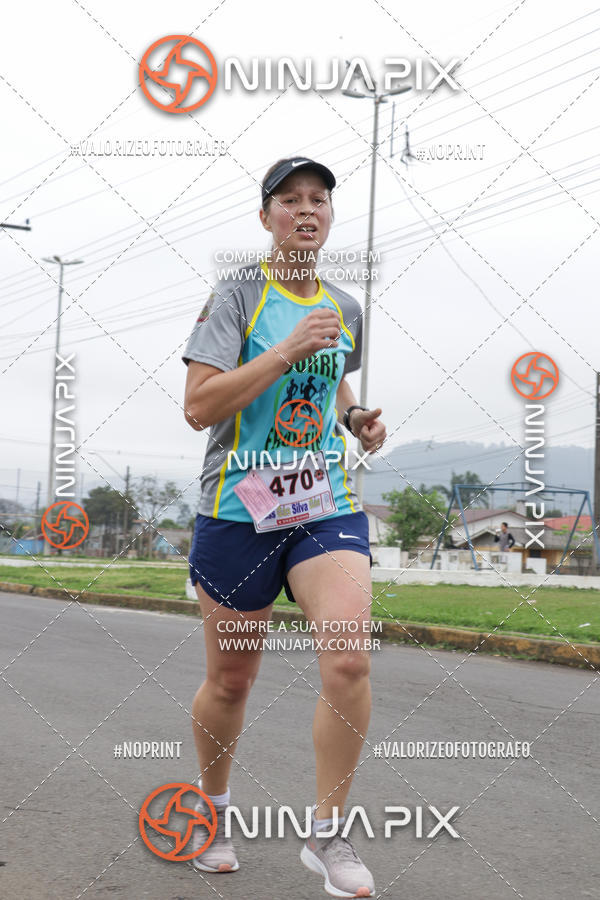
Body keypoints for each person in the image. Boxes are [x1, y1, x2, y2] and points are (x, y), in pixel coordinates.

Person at [182, 156, 386, 898]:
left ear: (329, 216)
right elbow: (200, 405)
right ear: (265, 215)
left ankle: (328, 833)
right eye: (290, 199)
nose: (307, 210)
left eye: (319, 200)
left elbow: (332, 381)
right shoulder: (236, 296)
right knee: (231, 680)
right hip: (239, 507)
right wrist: (285, 349)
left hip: (322, 503)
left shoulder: (345, 306)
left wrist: (354, 417)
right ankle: (212, 809)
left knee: (350, 660)